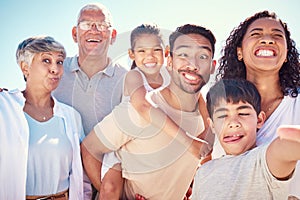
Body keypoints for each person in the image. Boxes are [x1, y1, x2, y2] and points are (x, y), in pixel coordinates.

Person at [81, 24, 216, 199]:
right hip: (119, 158)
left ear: (212, 66)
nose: (193, 64)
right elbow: (89, 149)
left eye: (202, 56)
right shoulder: (137, 108)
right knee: (110, 187)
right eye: (184, 54)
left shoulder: (216, 124)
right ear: (170, 61)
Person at [216, 10, 300, 199]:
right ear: (239, 51)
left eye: (277, 36)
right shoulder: (216, 107)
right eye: (256, 34)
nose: (268, 40)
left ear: (286, 53)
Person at [52, 3, 128, 199]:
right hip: (60, 186)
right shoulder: (54, 72)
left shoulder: (127, 80)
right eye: (86, 24)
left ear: (112, 36)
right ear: (75, 33)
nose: (94, 30)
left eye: (102, 25)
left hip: (107, 185)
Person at [0, 36, 84, 199]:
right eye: (46, 60)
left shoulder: (71, 116)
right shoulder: (4, 108)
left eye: (59, 62)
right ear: (25, 68)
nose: (55, 69)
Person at [192, 79, 299, 199]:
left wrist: (293, 141)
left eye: (243, 113)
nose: (233, 123)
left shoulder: (263, 162)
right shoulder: (203, 173)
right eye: (222, 116)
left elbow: (283, 149)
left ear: (259, 120)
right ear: (212, 125)